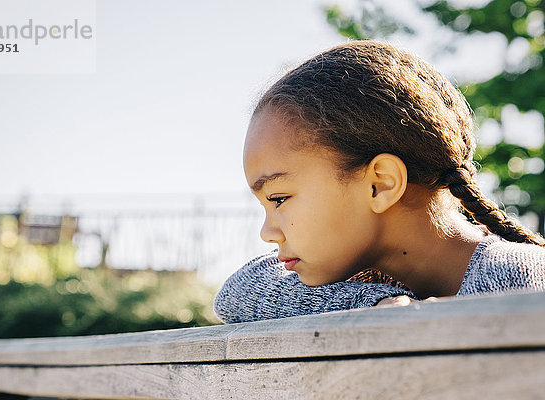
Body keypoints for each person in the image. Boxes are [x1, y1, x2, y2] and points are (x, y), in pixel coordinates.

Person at [213, 40, 545, 324]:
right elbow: (237, 291)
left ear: (381, 184)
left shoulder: (519, 281)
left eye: (279, 199)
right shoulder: (366, 280)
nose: (267, 232)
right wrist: (374, 303)